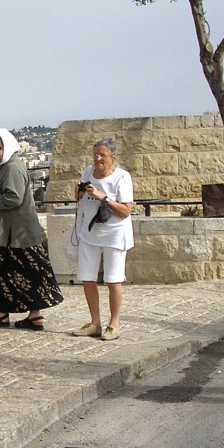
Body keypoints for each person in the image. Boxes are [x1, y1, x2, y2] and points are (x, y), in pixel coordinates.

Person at [0, 128, 63, 330]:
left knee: (7, 276)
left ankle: (1, 315)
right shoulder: (8, 167)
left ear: (6, 146)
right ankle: (33, 316)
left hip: (15, 234)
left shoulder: (12, 168)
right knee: (28, 275)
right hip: (18, 233)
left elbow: (14, 197)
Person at [71, 136, 134, 341]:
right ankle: (95, 322)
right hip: (90, 233)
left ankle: (114, 323)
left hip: (114, 234)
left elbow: (126, 210)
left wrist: (103, 197)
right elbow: (78, 198)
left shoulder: (122, 177)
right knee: (87, 278)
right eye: (95, 154)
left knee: (113, 280)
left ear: (112, 158)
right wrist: (80, 191)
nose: (97, 159)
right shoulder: (89, 172)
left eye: (102, 155)